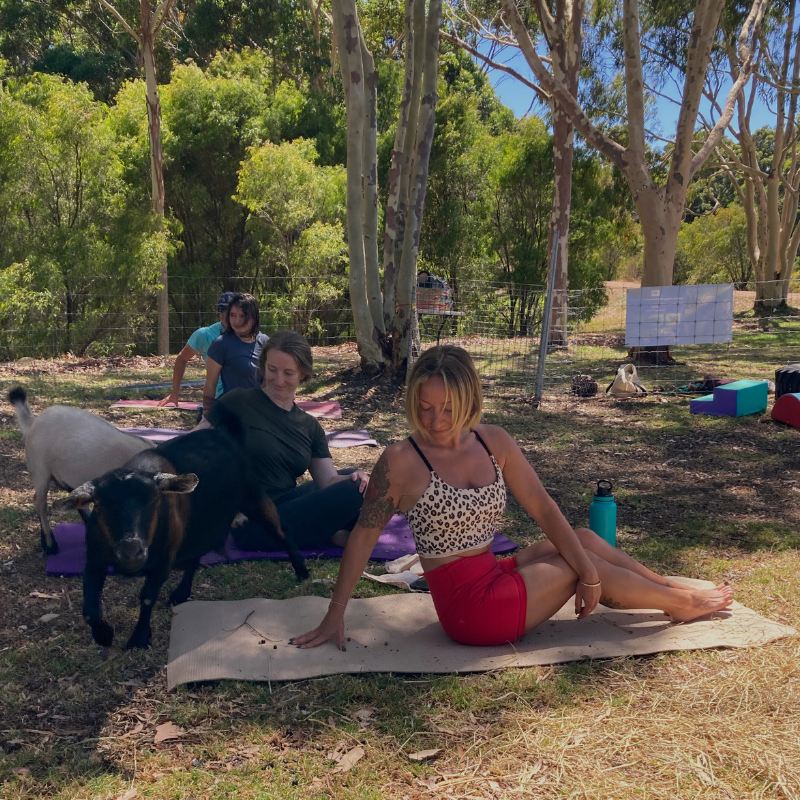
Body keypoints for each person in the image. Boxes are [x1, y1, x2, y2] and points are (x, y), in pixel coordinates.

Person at [292, 345, 734, 651]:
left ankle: (665, 585)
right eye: (425, 407)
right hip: (469, 609)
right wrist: (335, 613)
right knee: (584, 565)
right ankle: (682, 605)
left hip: (494, 572)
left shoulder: (493, 440)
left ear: (469, 400)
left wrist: (582, 566)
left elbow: (543, 508)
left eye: (447, 408)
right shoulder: (402, 459)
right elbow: (363, 540)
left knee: (580, 538)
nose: (436, 418)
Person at [207, 331, 368, 550]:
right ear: (263, 365)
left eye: (288, 373)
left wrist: (363, 479)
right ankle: (333, 533)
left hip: (287, 505)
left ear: (302, 374)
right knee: (354, 494)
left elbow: (327, 481)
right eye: (272, 370)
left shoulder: (309, 426)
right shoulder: (238, 401)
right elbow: (193, 442)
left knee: (353, 479)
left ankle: (330, 533)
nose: (278, 380)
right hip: (252, 523)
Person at [158, 291, 235, 407]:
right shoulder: (205, 334)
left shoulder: (250, 335)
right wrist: (174, 393)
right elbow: (181, 359)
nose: (225, 313)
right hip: (218, 400)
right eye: (221, 309)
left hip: (243, 399)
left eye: (230, 310)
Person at [203, 293, 269, 417]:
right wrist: (206, 416)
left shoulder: (265, 342)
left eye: (242, 316)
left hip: (261, 413)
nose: (237, 321)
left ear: (253, 317)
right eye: (232, 315)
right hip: (231, 413)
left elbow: (270, 380)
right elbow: (210, 384)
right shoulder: (220, 344)